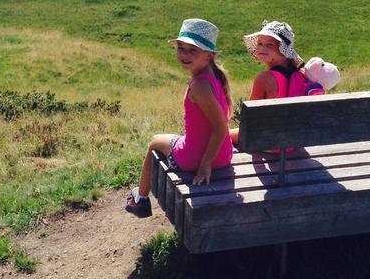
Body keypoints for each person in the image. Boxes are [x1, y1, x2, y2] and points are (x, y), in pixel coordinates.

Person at [125, 18, 233, 217]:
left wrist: (204, 166)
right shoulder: (215, 76)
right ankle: (139, 197)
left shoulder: (200, 86)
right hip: (224, 155)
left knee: (154, 142)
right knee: (167, 138)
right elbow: (219, 126)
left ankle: (140, 199)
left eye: (193, 50)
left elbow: (220, 126)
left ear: (208, 56)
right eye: (181, 48)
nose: (184, 55)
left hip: (195, 158)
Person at [229, 20, 306, 148]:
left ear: (283, 50)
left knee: (217, 136)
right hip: (292, 144)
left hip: (269, 145)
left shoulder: (264, 79)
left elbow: (250, 122)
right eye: (259, 43)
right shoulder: (301, 75)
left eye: (269, 45)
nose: (261, 48)